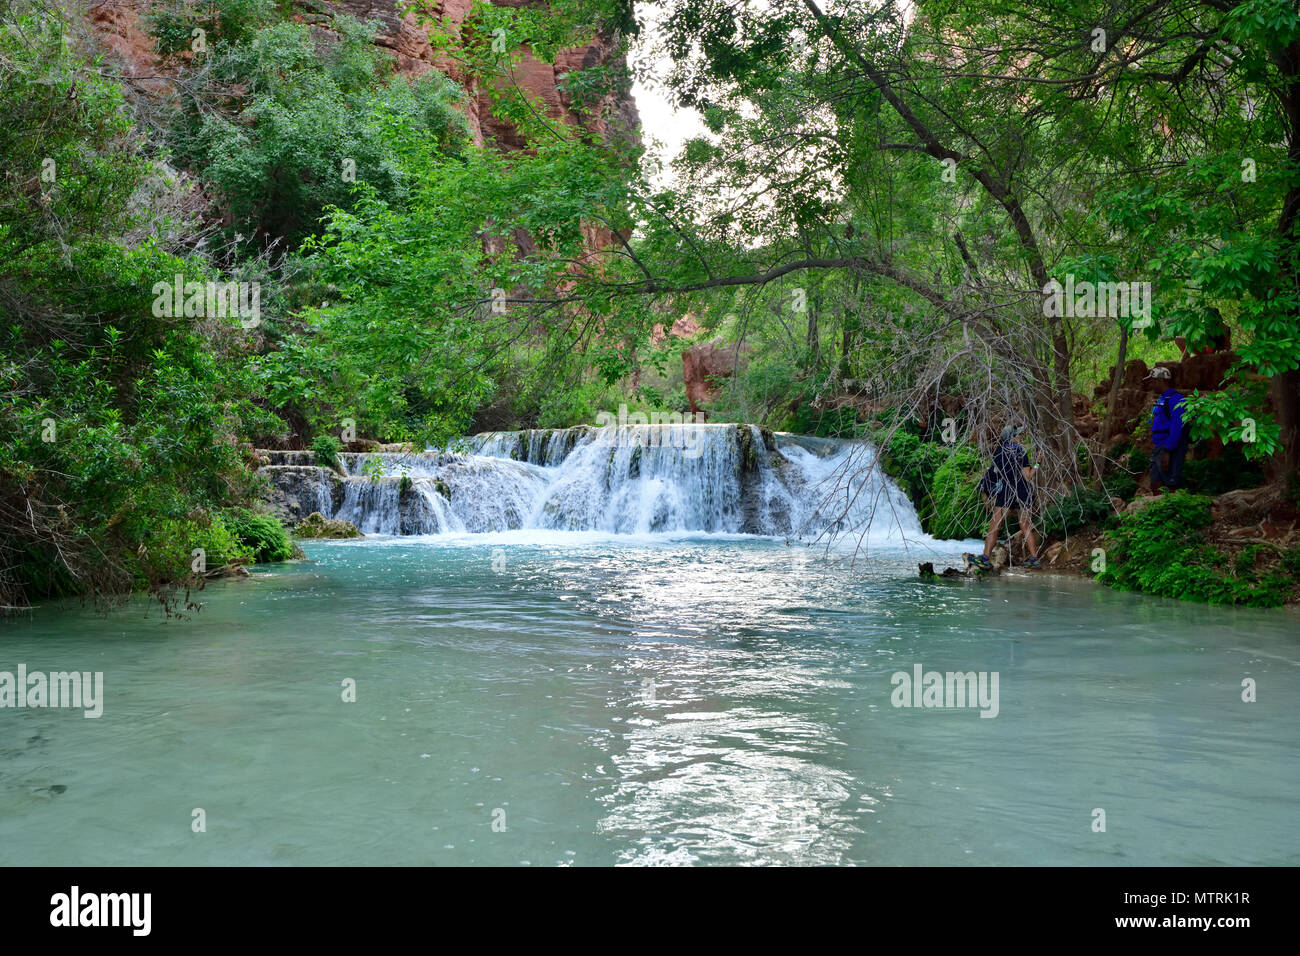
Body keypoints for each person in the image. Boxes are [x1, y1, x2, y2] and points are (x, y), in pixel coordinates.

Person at [966, 424, 1041, 570]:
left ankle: (985, 558)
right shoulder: (1021, 452)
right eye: (1017, 435)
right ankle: (1034, 559)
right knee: (1025, 526)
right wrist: (1037, 463)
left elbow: (993, 474)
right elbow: (1028, 477)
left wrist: (988, 493)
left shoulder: (999, 452)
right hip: (1023, 492)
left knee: (994, 527)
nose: (1020, 437)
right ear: (1012, 437)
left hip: (1006, 492)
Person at [1147, 366, 1189, 492]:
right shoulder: (1162, 398)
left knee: (1171, 485)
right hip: (1159, 447)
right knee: (1155, 484)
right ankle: (1160, 509)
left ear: (1160, 381)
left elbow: (1177, 427)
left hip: (1169, 448)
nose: (1151, 384)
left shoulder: (1176, 399)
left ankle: (1173, 508)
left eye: (1152, 380)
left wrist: (1168, 451)